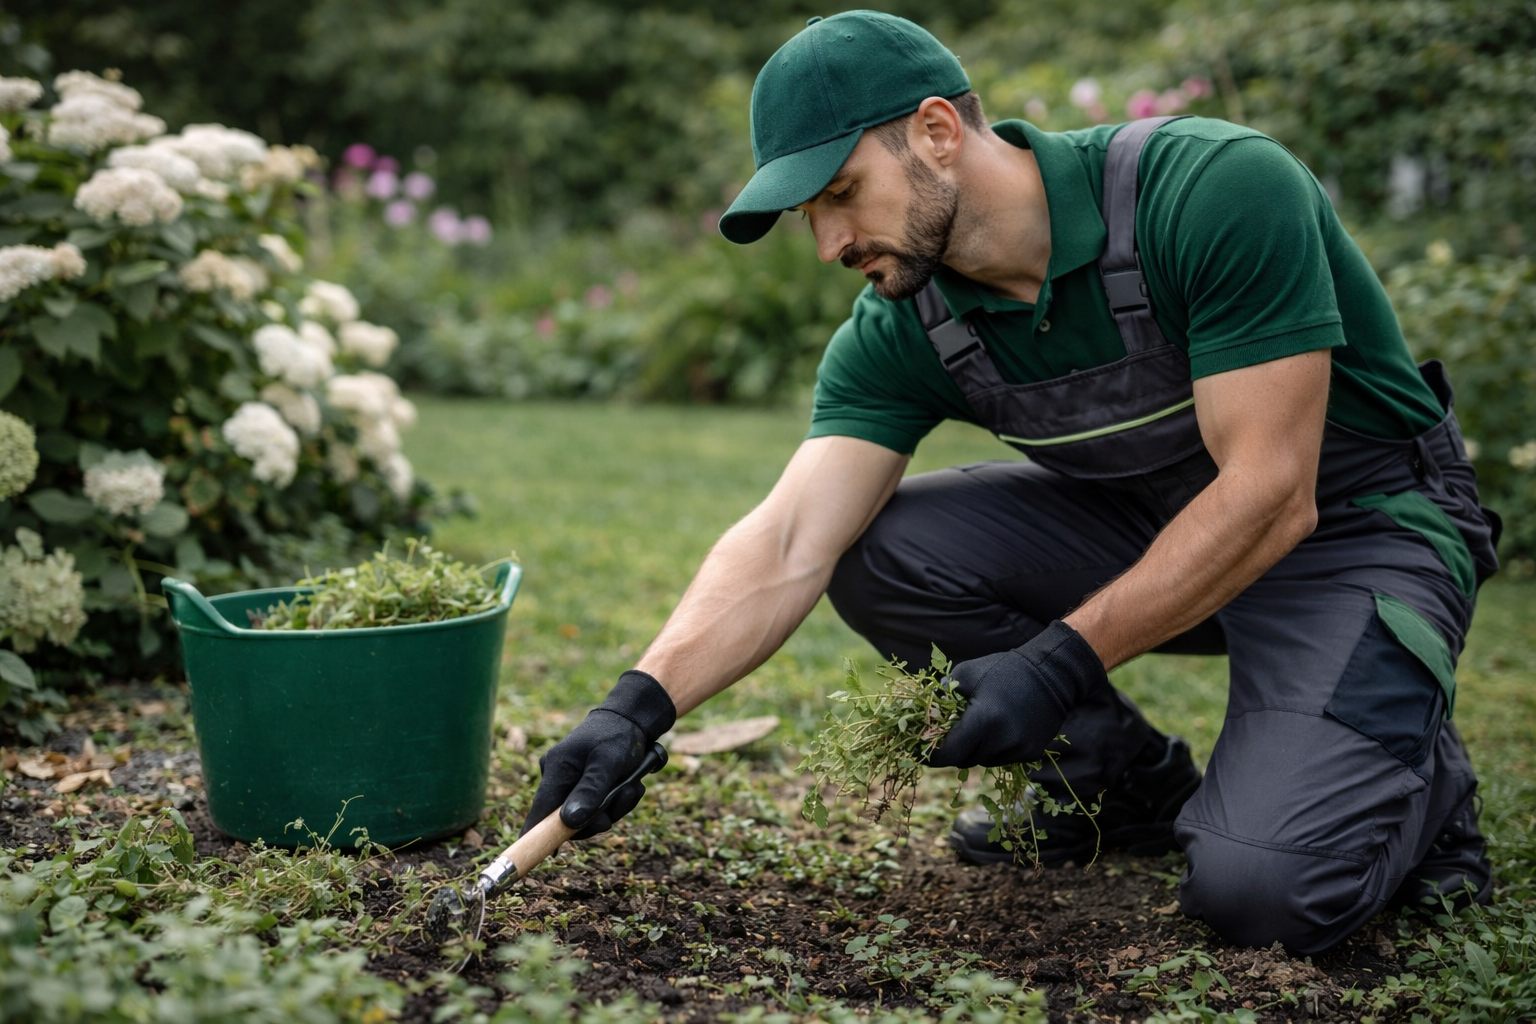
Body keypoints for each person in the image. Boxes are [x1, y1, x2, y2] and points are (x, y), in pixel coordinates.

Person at [521, 11, 1501, 954]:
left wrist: (1060, 661)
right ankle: (1114, 784)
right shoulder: (909, 321)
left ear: (937, 132)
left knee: (1263, 891)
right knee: (881, 547)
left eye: (841, 192)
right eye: (807, 215)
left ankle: (1420, 781)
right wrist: (637, 705)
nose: (828, 244)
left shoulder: (1210, 190)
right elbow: (789, 538)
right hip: (1148, 525)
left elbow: (1274, 493)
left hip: (1355, 530)